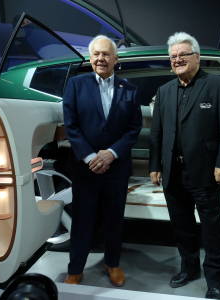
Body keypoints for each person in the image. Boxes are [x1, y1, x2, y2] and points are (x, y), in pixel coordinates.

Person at [149, 32, 220, 299]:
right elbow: (157, 132)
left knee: (212, 229)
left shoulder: (217, 85)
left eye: (183, 55)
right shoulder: (164, 91)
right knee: (181, 225)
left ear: (197, 57)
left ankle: (215, 279)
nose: (177, 60)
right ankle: (188, 268)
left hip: (206, 171)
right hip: (172, 173)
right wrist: (155, 165)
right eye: (173, 57)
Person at [63, 35, 142, 286]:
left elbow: (134, 128)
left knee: (114, 220)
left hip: (116, 168)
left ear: (115, 59)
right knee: (82, 220)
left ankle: (112, 263)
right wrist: (89, 156)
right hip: (86, 169)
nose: (101, 58)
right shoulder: (76, 85)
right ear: (90, 57)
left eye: (106, 54)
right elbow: (71, 126)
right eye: (96, 54)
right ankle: (75, 268)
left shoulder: (129, 89)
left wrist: (111, 153)